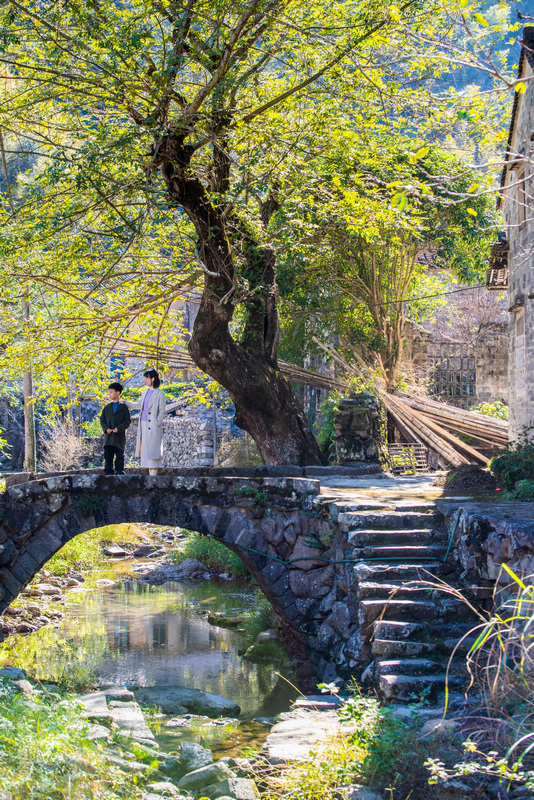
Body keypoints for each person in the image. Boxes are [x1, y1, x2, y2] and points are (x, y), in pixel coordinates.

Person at [124, 369, 167, 475]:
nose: (145, 380)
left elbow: (162, 411)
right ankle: (150, 476)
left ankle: (154, 476)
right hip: (143, 424)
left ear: (153, 378)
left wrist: (157, 423)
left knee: (153, 451)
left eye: (147, 378)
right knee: (146, 450)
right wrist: (125, 402)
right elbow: (138, 405)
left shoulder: (160, 394)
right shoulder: (145, 392)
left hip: (153, 425)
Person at [100, 382, 131, 475]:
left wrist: (119, 428)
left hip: (119, 437)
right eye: (109, 392)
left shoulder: (123, 408)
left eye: (111, 392)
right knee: (108, 455)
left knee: (119, 455)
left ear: (118, 393)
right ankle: (108, 471)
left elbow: (127, 421)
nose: (110, 394)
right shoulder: (107, 408)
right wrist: (106, 429)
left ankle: (119, 471)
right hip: (109, 437)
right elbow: (102, 420)